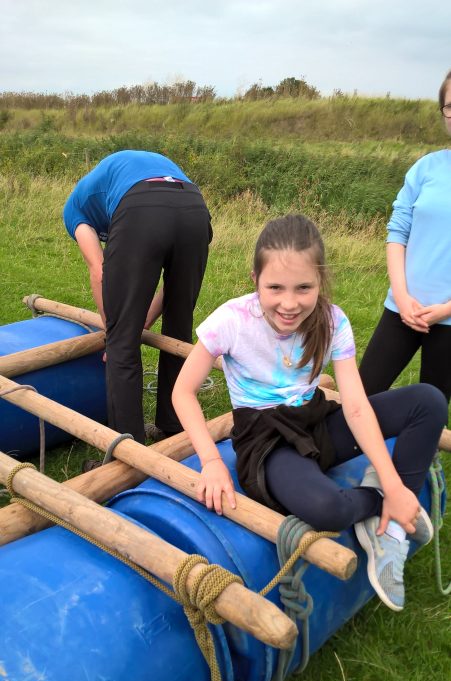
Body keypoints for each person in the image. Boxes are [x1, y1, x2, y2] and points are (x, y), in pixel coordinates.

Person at [172, 214, 447, 612]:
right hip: (266, 441)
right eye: (275, 288)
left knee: (429, 401)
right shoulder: (231, 320)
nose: (289, 302)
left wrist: (394, 480)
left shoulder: (333, 320)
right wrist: (212, 461)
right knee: (328, 509)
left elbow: (354, 404)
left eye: (304, 287)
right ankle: (375, 505)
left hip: (314, 422)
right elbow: (183, 392)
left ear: (320, 282)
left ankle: (391, 521)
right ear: (255, 281)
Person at [63, 149, 212, 446]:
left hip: (141, 208)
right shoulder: (118, 176)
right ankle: (174, 427)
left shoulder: (73, 211)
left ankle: (128, 449)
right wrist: (143, 319)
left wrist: (114, 329)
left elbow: (99, 270)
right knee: (179, 326)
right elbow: (170, 290)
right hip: (195, 209)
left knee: (121, 343)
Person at [359, 70, 451, 403]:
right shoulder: (426, 168)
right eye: (450, 106)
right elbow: (397, 232)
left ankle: (426, 456)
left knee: (432, 404)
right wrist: (401, 293)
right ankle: (355, 453)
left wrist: (446, 309)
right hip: (402, 306)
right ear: (443, 112)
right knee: (363, 393)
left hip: (449, 320)